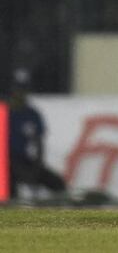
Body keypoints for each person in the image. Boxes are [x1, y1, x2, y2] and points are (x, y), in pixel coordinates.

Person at [7, 68, 68, 201]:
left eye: (24, 89)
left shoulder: (32, 114)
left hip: (23, 161)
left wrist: (35, 169)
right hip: (5, 163)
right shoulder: (4, 112)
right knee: (8, 190)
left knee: (57, 183)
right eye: (17, 89)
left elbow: (39, 144)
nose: (20, 93)